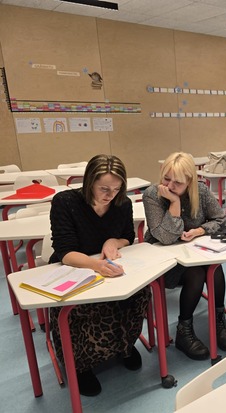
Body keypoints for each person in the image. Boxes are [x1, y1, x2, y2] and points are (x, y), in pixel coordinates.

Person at [49, 154, 148, 397]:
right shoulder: (66, 202)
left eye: (116, 189)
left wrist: (113, 241)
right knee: (84, 307)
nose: (110, 195)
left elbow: (128, 236)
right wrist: (96, 265)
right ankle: (81, 363)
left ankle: (124, 345)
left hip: (105, 265)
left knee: (139, 293)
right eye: (104, 188)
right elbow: (64, 251)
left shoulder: (122, 203)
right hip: (75, 266)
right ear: (89, 182)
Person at [142, 152, 226, 361]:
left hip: (193, 252)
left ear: (189, 181)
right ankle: (184, 330)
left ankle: (218, 318)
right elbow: (165, 237)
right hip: (163, 260)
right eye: (166, 178)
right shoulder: (152, 195)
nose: (169, 185)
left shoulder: (200, 191)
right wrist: (174, 203)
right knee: (196, 274)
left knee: (214, 267)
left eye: (177, 182)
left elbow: (221, 219)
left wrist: (200, 230)